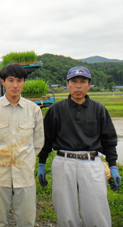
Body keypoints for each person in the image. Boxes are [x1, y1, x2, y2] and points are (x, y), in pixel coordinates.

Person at [37, 66, 121, 227]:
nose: (78, 86)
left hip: (91, 162)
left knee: (97, 211)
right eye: (74, 82)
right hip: (63, 161)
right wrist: (41, 163)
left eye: (83, 82)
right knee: (66, 213)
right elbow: (46, 140)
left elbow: (109, 141)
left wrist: (113, 166)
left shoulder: (99, 109)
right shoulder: (56, 110)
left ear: (89, 85)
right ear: (67, 84)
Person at [0, 63, 44, 227]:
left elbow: (38, 142)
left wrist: (25, 158)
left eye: (19, 81)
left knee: (26, 220)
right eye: (11, 80)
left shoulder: (33, 110)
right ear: (3, 82)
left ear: (24, 82)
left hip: (24, 173)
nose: (15, 85)